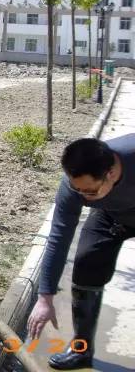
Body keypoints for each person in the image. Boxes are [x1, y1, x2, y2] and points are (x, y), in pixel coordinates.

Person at [27, 135, 135, 370]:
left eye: (90, 192)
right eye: (78, 190)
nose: (82, 197)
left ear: (112, 174)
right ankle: (82, 349)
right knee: (86, 263)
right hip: (113, 216)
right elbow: (58, 237)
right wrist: (45, 297)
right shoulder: (74, 187)